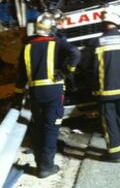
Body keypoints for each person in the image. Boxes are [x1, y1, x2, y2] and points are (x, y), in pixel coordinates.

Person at [14, 12, 80, 178]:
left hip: (35, 93)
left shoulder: (27, 47)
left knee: (38, 127)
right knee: (51, 128)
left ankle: (39, 163)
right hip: (53, 91)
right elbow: (76, 53)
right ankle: (46, 167)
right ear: (51, 28)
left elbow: (21, 77)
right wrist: (66, 72)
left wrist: (17, 100)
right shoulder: (57, 43)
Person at [84, 11, 120, 162]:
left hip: (104, 91)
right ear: (117, 25)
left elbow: (85, 66)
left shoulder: (95, 42)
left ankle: (114, 153)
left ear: (103, 24)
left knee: (109, 120)